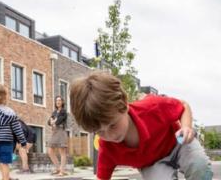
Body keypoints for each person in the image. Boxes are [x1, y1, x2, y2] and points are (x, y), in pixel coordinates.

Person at [70, 72, 212, 180]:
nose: (110, 136)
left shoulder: (152, 108)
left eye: (113, 125)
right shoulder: (107, 148)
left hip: (178, 143)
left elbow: (183, 106)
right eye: (100, 132)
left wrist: (185, 127)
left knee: (199, 166)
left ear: (124, 103)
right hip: (152, 164)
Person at [48, 95, 69, 176]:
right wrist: (52, 121)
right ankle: (58, 168)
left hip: (61, 131)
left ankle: (62, 171)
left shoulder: (64, 111)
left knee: (62, 152)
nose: (58, 102)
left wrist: (53, 121)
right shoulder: (54, 112)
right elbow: (48, 122)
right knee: (50, 151)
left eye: (59, 100)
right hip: (54, 132)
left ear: (62, 102)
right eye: (57, 100)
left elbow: (59, 121)